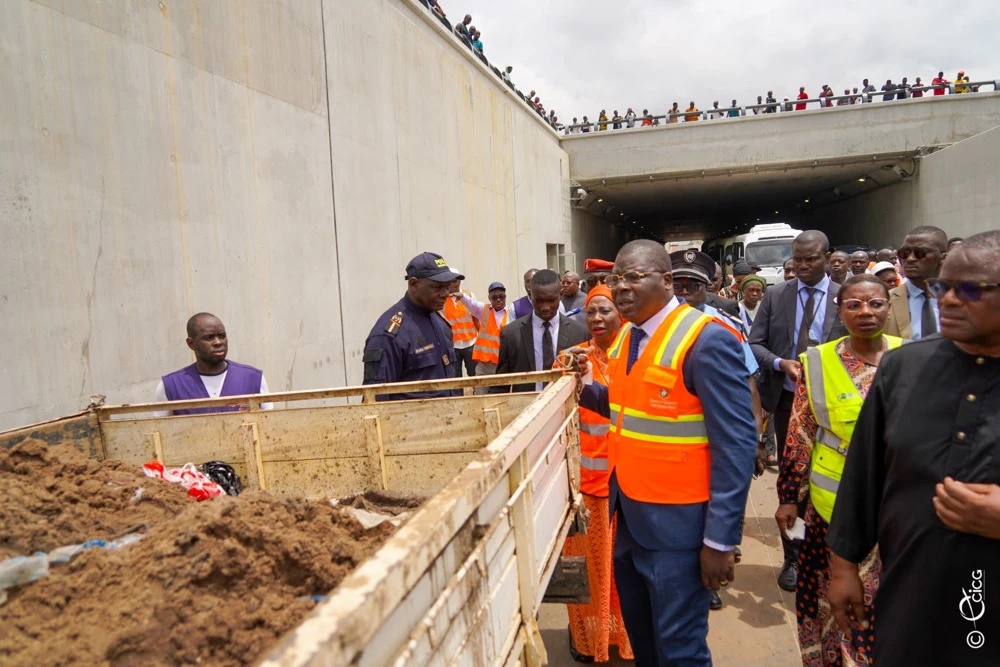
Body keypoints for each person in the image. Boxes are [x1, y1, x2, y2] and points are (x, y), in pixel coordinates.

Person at [572, 240, 757, 666]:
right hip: (631, 517)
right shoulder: (627, 338)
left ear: (667, 281)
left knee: (680, 649)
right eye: (616, 278)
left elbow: (736, 444)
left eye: (634, 277)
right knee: (646, 641)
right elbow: (624, 406)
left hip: (680, 529)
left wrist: (720, 539)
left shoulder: (705, 340)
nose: (621, 288)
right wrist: (587, 389)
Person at [826, 230, 1000, 667]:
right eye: (943, 286)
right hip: (911, 597)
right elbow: (865, 473)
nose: (949, 301)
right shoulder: (905, 366)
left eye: (971, 290)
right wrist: (844, 565)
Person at [776, 274, 903, 667]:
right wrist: (788, 497)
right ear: (840, 310)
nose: (866, 312)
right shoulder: (816, 362)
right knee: (832, 605)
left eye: (876, 304)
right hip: (832, 513)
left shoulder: (912, 356)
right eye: (854, 305)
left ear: (888, 307)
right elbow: (799, 432)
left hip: (899, 510)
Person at [749, 230, 847, 592]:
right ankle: (793, 555)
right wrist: (778, 363)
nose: (803, 266)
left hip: (835, 408)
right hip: (788, 402)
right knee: (792, 479)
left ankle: (835, 552)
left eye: (811, 259)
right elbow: (755, 343)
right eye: (798, 259)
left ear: (827, 257)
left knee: (832, 480)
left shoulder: (845, 297)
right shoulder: (776, 296)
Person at [562, 284, 634, 663]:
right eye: (591, 312)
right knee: (587, 572)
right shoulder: (569, 360)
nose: (598, 318)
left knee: (623, 574)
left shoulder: (634, 358)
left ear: (621, 314)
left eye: (605, 310)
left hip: (625, 485)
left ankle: (625, 640)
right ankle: (586, 640)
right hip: (583, 486)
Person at [363, 252, 463, 401]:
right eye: (437, 287)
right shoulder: (388, 336)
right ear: (414, 284)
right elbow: (375, 400)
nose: (445, 294)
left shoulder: (437, 319)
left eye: (448, 287)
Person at [155, 313, 272, 416]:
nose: (218, 342)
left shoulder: (253, 378)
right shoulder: (171, 385)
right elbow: (160, 430)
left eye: (222, 336)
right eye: (209, 337)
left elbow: (271, 426)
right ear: (191, 344)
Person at [492, 269, 588, 393]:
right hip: (525, 409)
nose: (545, 307)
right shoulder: (511, 334)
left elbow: (586, 381)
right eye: (539, 301)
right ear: (531, 295)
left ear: (560, 295)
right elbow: (501, 384)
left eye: (551, 300)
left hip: (566, 408)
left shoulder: (580, 334)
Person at [885, 225, 948, 340]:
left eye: (920, 253)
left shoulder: (964, 300)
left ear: (943, 258)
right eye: (904, 253)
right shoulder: (884, 302)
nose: (910, 259)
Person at [456, 282, 510, 385]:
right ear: (489, 298)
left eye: (501, 296)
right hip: (484, 366)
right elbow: (470, 303)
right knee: (480, 396)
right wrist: (461, 295)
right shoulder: (483, 310)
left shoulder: (511, 315)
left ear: (505, 297)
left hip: (502, 366)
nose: (498, 299)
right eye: (494, 297)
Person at [442, 276, 479, 377]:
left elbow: (476, 318)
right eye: (450, 281)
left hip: (470, 343)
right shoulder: (442, 298)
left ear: (460, 282)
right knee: (455, 377)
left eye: (455, 281)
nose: (453, 284)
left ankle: (477, 393)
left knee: (474, 375)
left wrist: (481, 340)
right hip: (452, 345)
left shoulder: (469, 295)